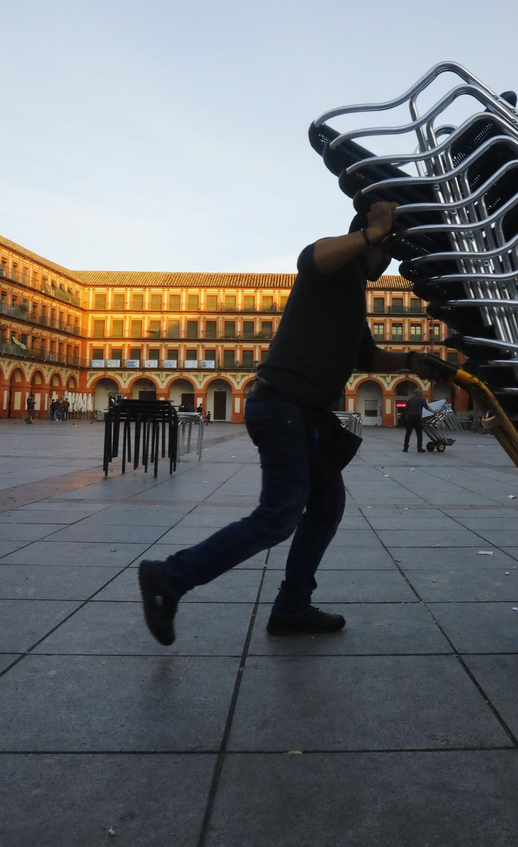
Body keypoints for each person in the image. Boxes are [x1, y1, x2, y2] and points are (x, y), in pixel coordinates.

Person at [138, 201, 448, 644]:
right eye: (387, 251)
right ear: (370, 239)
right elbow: (311, 256)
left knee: (326, 507)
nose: (388, 262)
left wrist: (414, 359)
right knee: (278, 517)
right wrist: (373, 231)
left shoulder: (352, 291)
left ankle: (291, 606)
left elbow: (366, 356)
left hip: (304, 413)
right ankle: (169, 577)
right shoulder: (332, 266)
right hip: (284, 407)